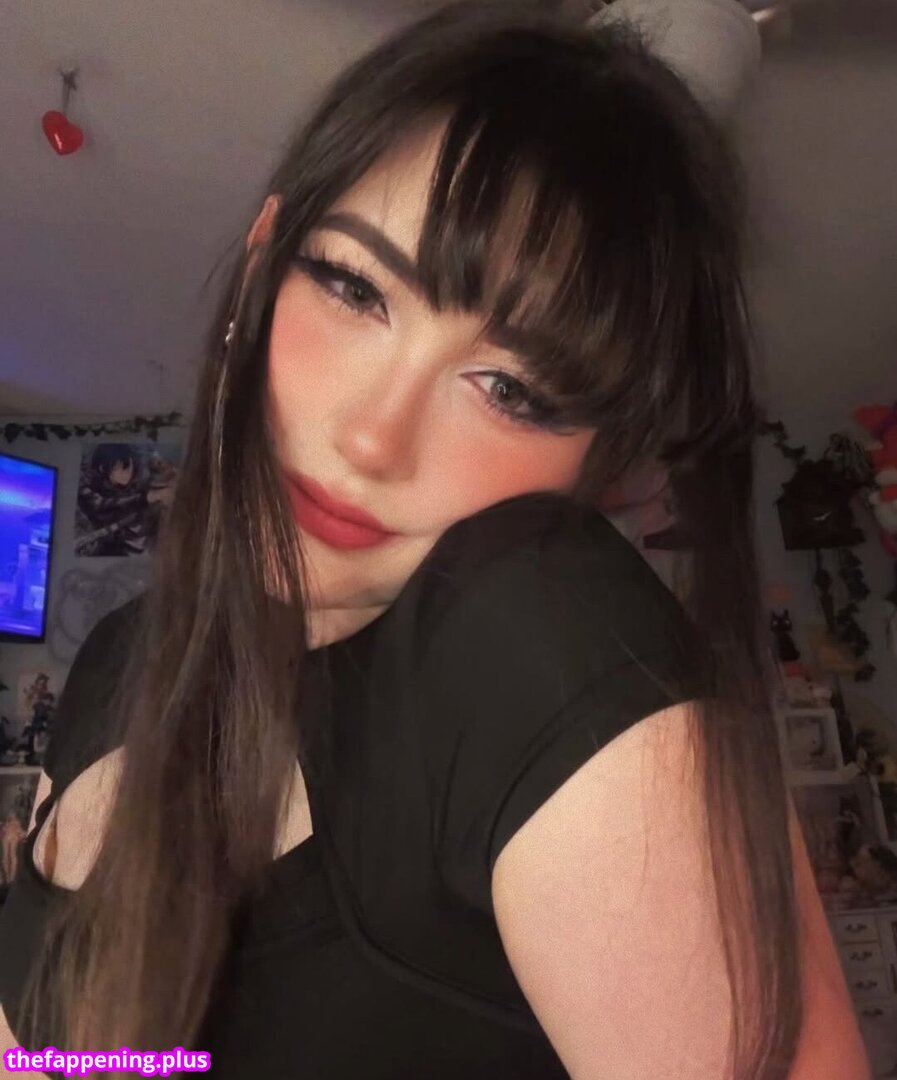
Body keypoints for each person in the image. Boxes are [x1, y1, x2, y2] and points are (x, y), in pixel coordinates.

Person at [0, 2, 871, 1079]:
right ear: (264, 260)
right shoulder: (116, 659)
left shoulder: (536, 637)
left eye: (510, 389)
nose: (374, 438)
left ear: (598, 468)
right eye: (353, 287)